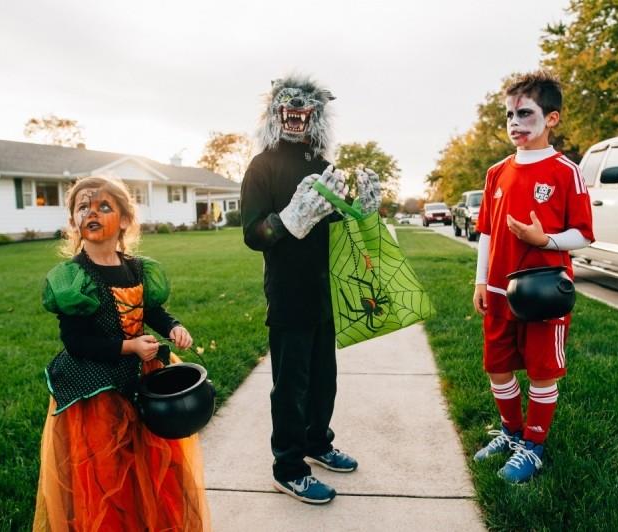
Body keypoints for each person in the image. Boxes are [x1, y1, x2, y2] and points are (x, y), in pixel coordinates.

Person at [33, 175, 210, 530]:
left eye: (103, 206)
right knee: (106, 470)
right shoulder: (73, 279)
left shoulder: (137, 268)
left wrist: (172, 326)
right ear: (73, 222)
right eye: (83, 207)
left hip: (140, 378)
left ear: (125, 220)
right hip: (96, 390)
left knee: (149, 458)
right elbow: (76, 342)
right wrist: (127, 346)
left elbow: (152, 312)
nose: (91, 212)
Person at [241, 75, 381, 504]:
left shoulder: (322, 166)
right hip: (288, 294)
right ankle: (288, 466)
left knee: (323, 380)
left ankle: (318, 443)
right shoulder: (261, 165)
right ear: (277, 112)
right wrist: (288, 220)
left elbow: (336, 227)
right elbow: (252, 233)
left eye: (305, 108)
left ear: (316, 115)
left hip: (326, 293)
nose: (297, 112)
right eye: (289, 106)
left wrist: (362, 214)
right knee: (291, 385)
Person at [472, 70, 594, 483]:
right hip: (499, 288)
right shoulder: (496, 173)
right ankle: (510, 432)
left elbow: (584, 235)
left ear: (552, 118)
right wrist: (479, 281)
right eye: (508, 115)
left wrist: (547, 241)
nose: (514, 123)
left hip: (544, 293)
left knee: (542, 371)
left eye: (525, 113)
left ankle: (534, 445)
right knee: (497, 366)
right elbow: (487, 230)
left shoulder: (565, 171)